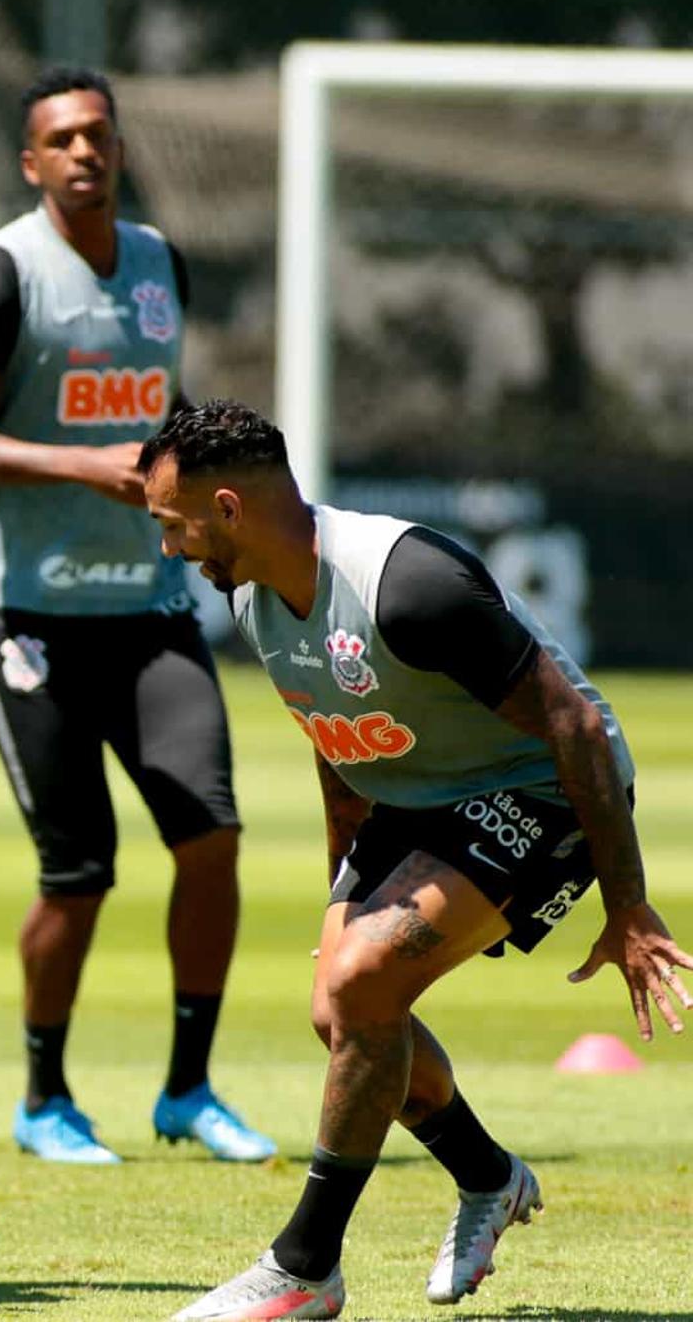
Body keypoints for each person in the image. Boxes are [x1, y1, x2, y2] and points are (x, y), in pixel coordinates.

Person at [141, 399, 693, 1321]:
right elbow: (333, 736)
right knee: (340, 1007)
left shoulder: (409, 584)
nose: (170, 549)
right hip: (414, 791)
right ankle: (490, 1178)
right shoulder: (250, 596)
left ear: (228, 507)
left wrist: (628, 904)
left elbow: (573, 724)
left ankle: (305, 1265)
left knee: (363, 986)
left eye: (172, 524)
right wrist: (342, 880)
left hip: (543, 789)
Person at [0, 67, 273, 1165]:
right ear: (31, 162)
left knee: (211, 836)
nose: (84, 151)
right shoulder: (3, 270)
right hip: (23, 612)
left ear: (117, 149)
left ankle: (187, 1089)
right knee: (79, 869)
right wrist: (86, 467)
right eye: (61, 138)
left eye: (98, 135)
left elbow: (159, 417)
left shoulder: (161, 261)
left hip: (149, 604)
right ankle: (44, 1099)